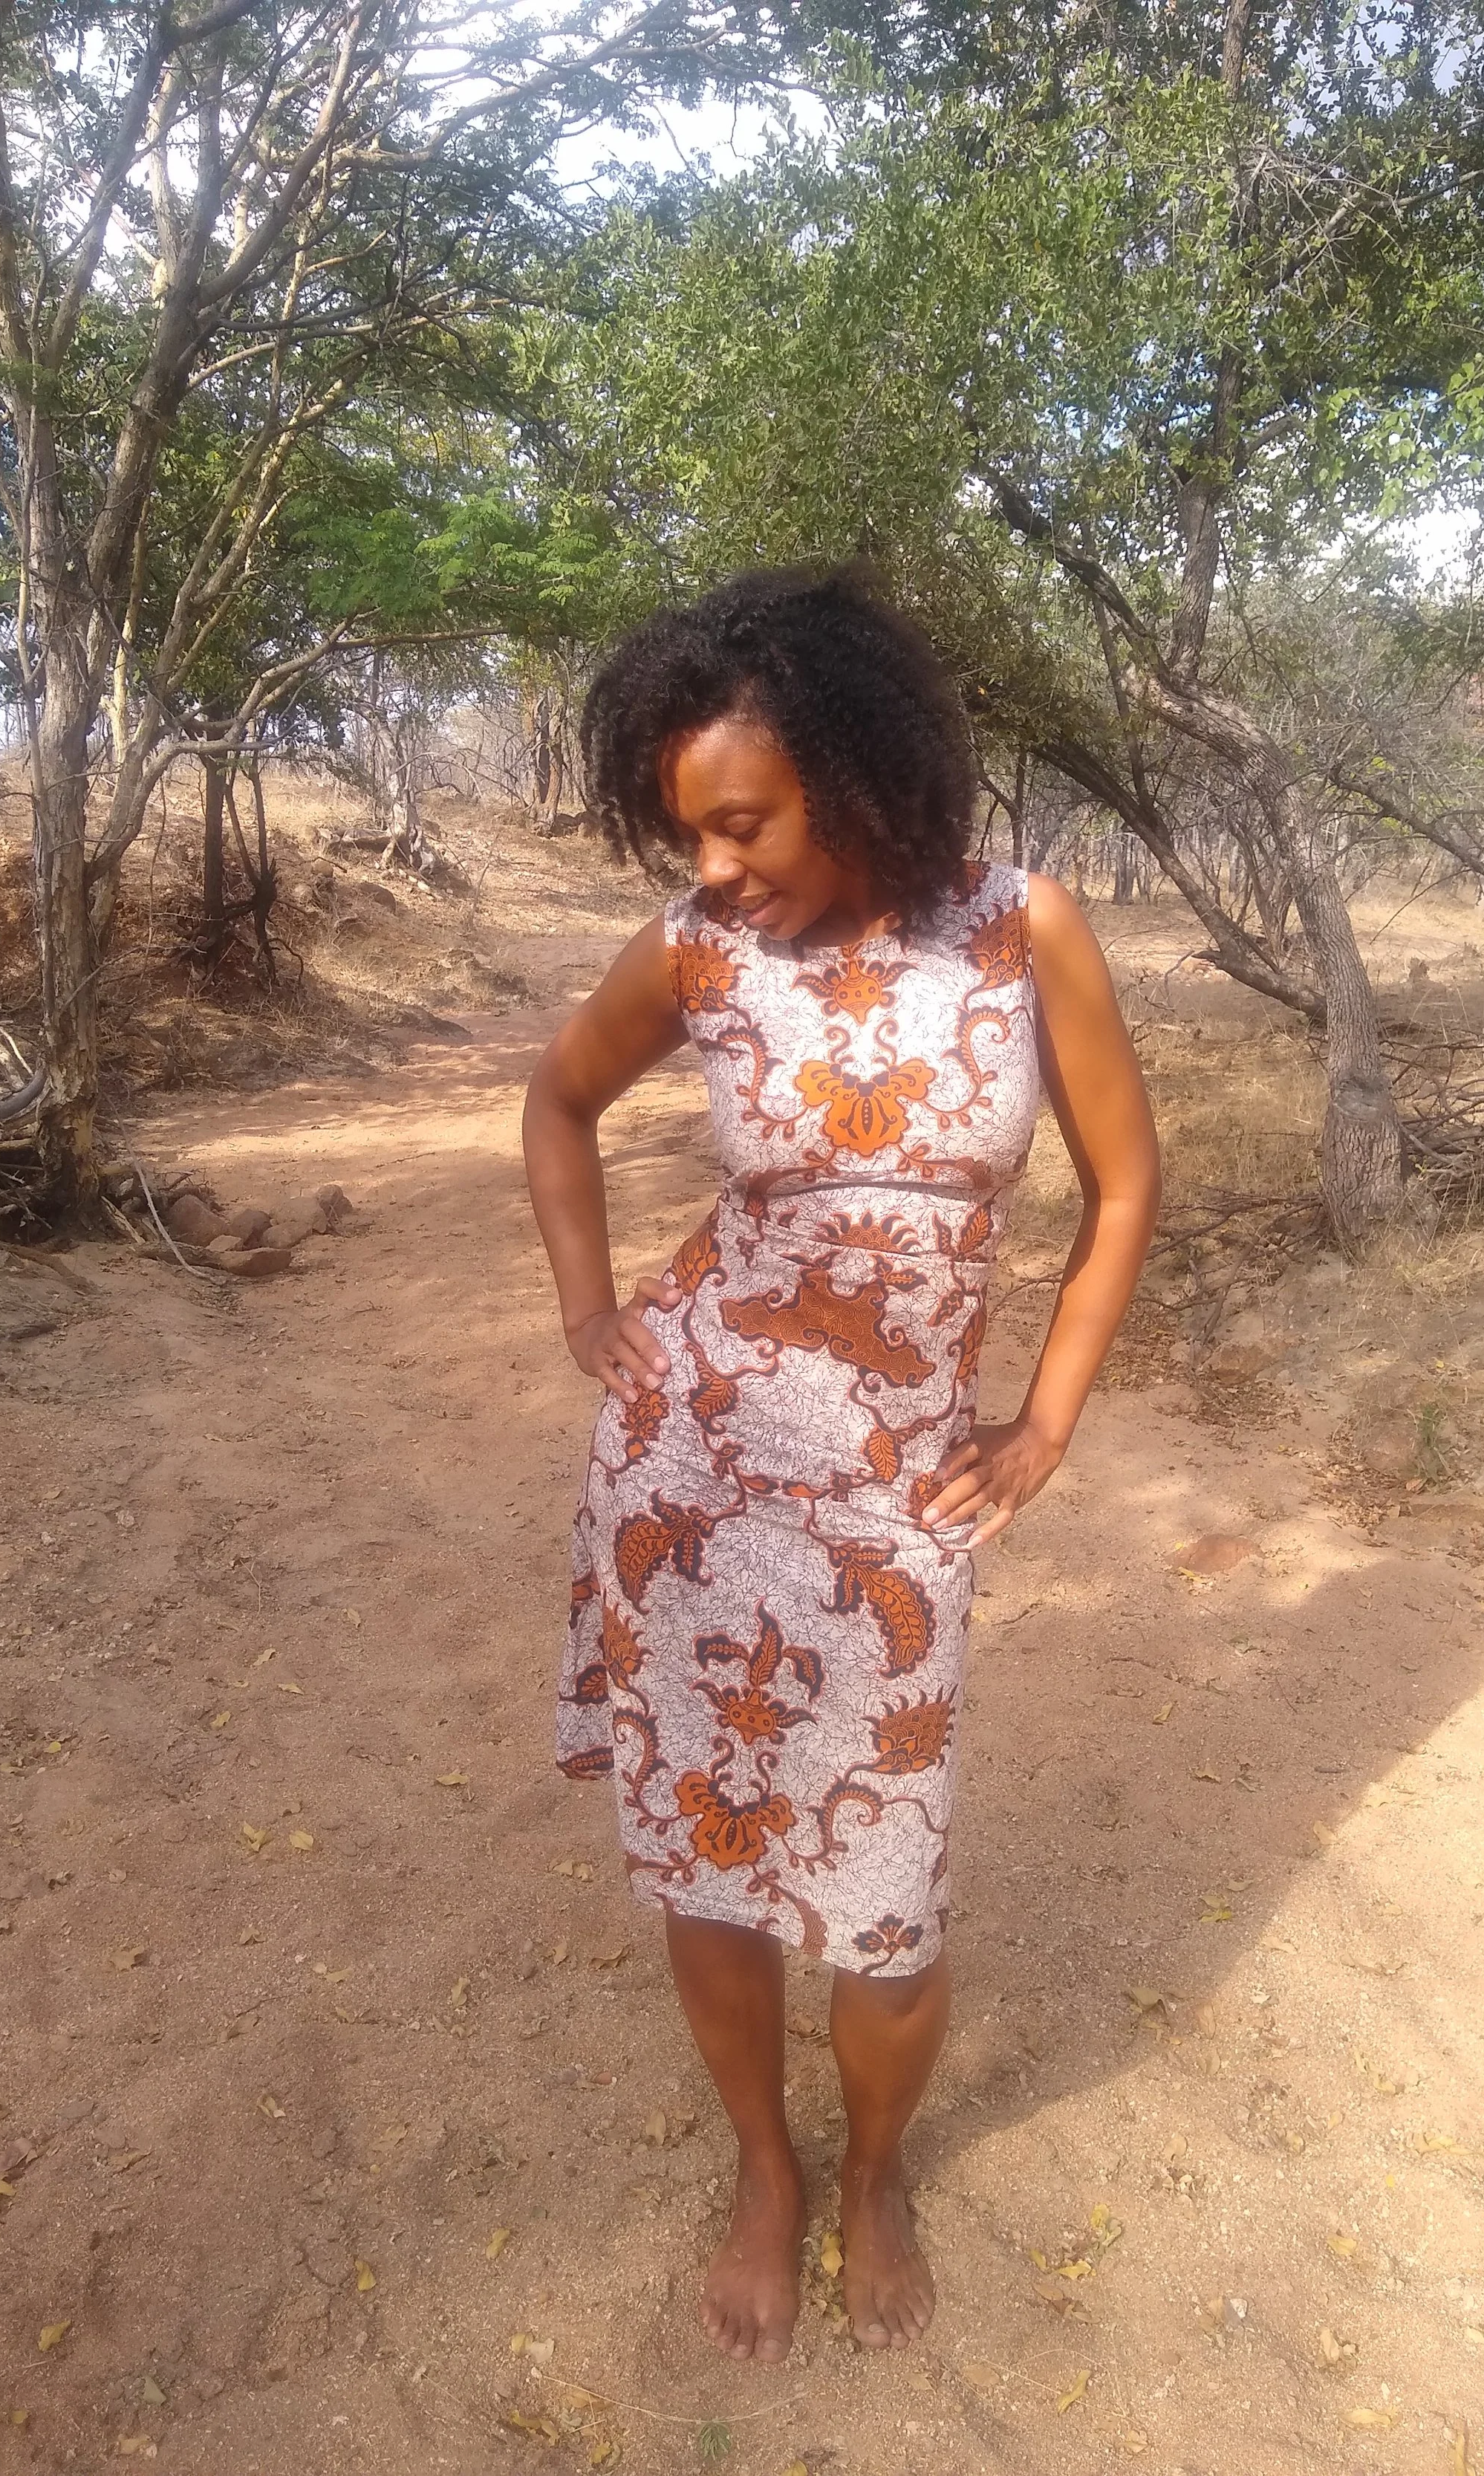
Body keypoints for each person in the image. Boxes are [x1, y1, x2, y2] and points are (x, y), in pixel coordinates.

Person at [522, 567, 1159, 2366]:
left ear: (858, 771)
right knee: (710, 1864)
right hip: (692, 1469)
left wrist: (1040, 1422)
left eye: (742, 821)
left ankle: (873, 2166)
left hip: (895, 1495)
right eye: (690, 832)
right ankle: (763, 2166)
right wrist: (592, 1316)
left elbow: (1125, 1184)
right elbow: (552, 1100)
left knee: (882, 1900)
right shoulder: (699, 952)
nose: (714, 865)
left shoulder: (1019, 930)